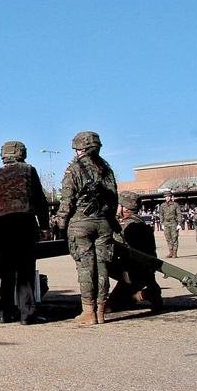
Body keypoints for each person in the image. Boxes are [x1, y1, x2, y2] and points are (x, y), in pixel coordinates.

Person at [56, 131, 118, 325]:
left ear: (80, 149)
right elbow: (114, 198)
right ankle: (101, 311)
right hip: (103, 224)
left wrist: (60, 223)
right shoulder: (106, 168)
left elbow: (67, 201)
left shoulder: (73, 169)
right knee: (102, 268)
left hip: (81, 224)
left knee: (86, 268)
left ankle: (88, 312)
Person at [0, 141, 49, 324]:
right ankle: (27, 313)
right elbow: (40, 200)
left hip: (0, 226)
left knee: (7, 271)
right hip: (23, 223)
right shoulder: (28, 170)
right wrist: (45, 226)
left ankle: (5, 312)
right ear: (21, 153)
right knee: (25, 270)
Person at [107, 191, 162, 312]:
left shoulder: (124, 225)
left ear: (124, 208)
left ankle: (143, 294)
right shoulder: (141, 223)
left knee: (110, 306)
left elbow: (111, 248)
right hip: (146, 272)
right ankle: (151, 290)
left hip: (132, 274)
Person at [160, 192, 181, 258]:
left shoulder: (175, 205)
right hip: (166, 223)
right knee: (168, 238)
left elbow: (179, 214)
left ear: (171, 197)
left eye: (169, 196)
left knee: (174, 238)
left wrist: (179, 223)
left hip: (173, 223)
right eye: (166, 197)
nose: (167, 198)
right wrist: (162, 223)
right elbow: (161, 215)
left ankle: (175, 253)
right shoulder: (162, 205)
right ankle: (170, 252)